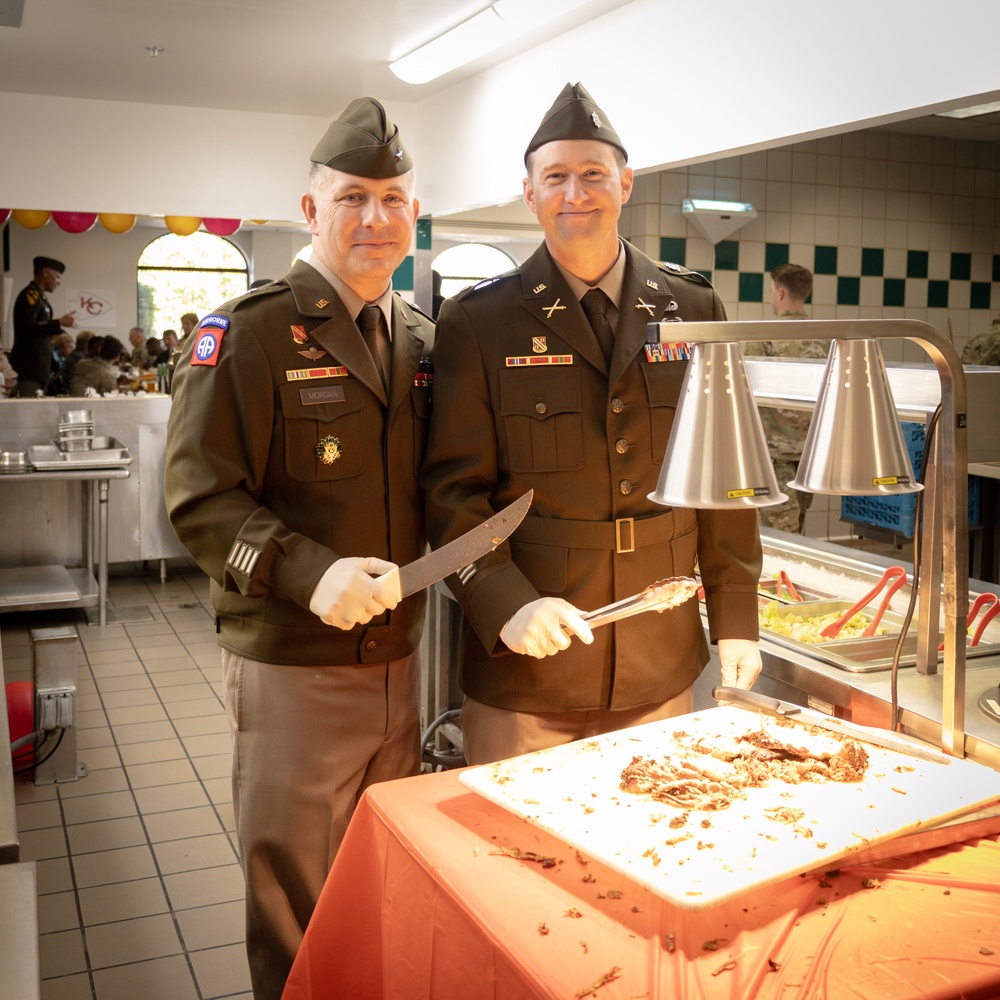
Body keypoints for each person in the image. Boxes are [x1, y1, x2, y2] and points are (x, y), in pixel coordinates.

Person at [164, 96, 433, 1000]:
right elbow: (199, 499)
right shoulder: (245, 333)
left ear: (414, 213)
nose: (375, 218)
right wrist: (311, 575)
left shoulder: (423, 344)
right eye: (353, 197)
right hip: (296, 666)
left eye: (393, 198)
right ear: (310, 210)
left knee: (374, 877)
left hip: (401, 659)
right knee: (293, 900)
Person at [421, 83, 762, 767]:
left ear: (626, 183)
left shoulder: (692, 305)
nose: (575, 192)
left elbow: (723, 479)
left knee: (649, 845)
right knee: (512, 861)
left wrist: (736, 618)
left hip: (659, 658)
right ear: (530, 193)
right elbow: (452, 492)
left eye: (593, 174)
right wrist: (504, 601)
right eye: (556, 177)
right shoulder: (479, 320)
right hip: (528, 661)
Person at [744, 264, 828, 534]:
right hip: (811, 452)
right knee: (798, 527)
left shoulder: (765, 336)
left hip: (774, 452)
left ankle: (782, 577)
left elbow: (745, 392)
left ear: (780, 293)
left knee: (779, 533)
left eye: (771, 291)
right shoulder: (824, 338)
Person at [10, 256, 76, 396]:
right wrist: (59, 323)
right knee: (29, 411)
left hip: (38, 369)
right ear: (45, 273)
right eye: (57, 277)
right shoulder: (30, 295)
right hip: (29, 367)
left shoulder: (41, 297)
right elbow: (28, 327)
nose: (59, 282)